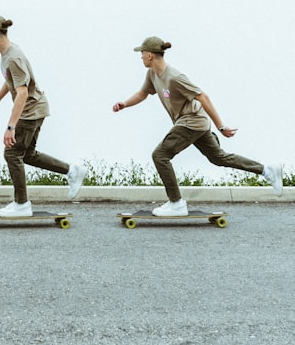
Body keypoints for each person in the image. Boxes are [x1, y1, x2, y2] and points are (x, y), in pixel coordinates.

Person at [112, 36, 283, 216]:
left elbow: (203, 97)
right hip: (194, 124)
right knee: (219, 158)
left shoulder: (175, 77)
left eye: (142, 53)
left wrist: (221, 126)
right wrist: (124, 104)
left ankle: (176, 203)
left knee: (160, 155)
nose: (140, 57)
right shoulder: (153, 74)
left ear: (150, 55)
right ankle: (267, 170)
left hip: (191, 122)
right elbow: (143, 93)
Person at [0, 15, 86, 216]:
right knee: (26, 154)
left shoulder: (13, 57)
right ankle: (72, 171)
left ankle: (21, 204)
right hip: (35, 108)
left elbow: (22, 92)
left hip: (30, 110)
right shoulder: (9, 53)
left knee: (12, 153)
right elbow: (12, 80)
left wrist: (11, 126)